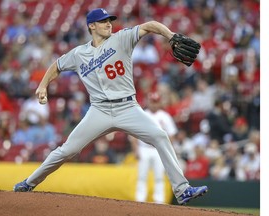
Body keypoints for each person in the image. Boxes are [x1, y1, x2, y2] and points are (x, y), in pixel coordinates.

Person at [13, 8, 208, 205]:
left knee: (160, 136)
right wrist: (42, 85)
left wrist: (171, 35)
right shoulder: (79, 53)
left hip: (128, 107)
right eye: (103, 21)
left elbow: (150, 26)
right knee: (67, 151)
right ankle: (30, 183)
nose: (109, 24)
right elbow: (56, 65)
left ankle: (182, 190)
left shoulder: (121, 38)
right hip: (99, 110)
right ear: (91, 26)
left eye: (109, 21)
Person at [130, 92, 178, 204]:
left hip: (159, 150)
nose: (154, 105)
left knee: (159, 176)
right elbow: (133, 134)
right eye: (152, 102)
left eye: (156, 102)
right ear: (148, 102)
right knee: (142, 175)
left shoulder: (165, 116)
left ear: (160, 103)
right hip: (144, 148)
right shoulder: (142, 114)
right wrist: (135, 150)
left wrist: (168, 151)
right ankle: (140, 199)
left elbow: (171, 135)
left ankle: (159, 200)